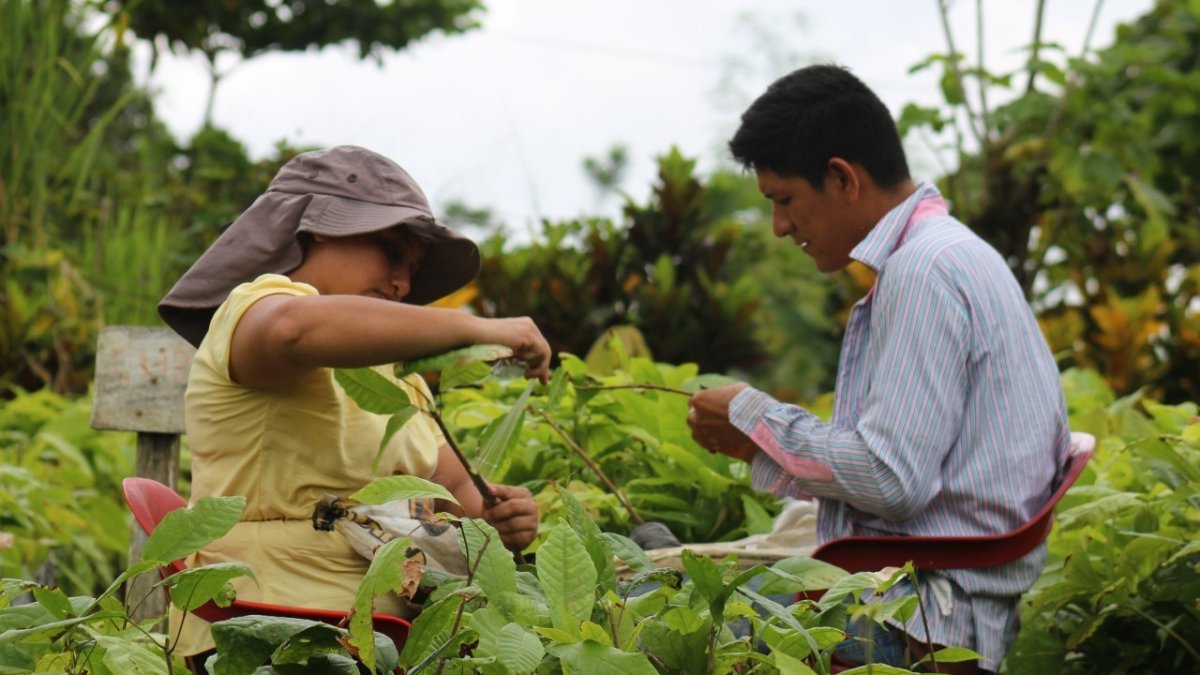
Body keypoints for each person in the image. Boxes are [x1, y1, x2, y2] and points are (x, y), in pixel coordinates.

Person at [686, 65, 1069, 674]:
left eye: (784, 200)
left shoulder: (922, 273)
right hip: (952, 606)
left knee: (681, 621)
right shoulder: (954, 251)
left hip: (918, 619)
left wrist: (757, 423)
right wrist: (757, 437)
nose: (780, 227)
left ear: (842, 178)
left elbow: (892, 479)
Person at [157, 145, 551, 661]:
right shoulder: (252, 309)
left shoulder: (396, 379)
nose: (403, 283)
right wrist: (473, 327)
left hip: (387, 639)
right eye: (391, 252)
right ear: (321, 228)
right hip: (264, 633)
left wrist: (500, 520)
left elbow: (450, 490)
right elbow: (293, 330)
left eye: (412, 268)